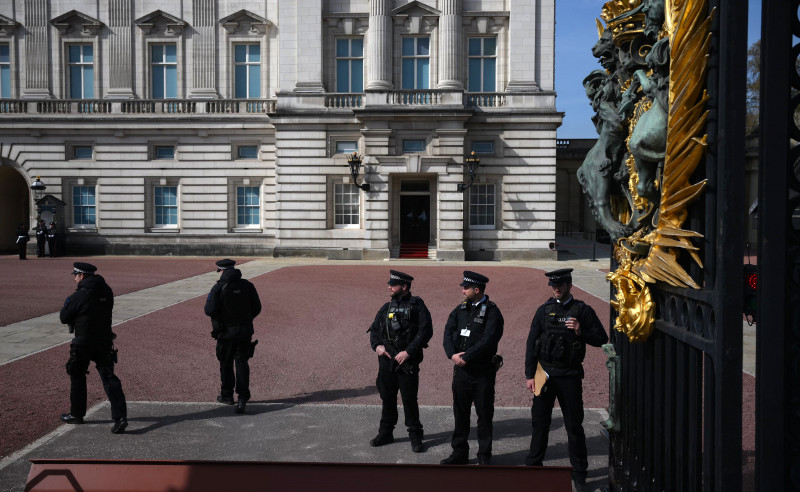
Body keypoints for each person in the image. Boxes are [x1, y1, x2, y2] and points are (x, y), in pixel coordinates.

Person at [524, 268, 609, 492]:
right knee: (539, 423)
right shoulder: (544, 310)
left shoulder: (582, 310)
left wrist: (581, 331)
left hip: (569, 373)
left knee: (574, 425)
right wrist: (529, 375)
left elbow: (602, 338)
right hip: (543, 373)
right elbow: (532, 342)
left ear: (569, 284)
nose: (556, 288)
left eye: (560, 284)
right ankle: (533, 467)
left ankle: (579, 473)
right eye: (553, 285)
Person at [441, 271, 504, 465]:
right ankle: (459, 452)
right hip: (461, 372)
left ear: (477, 290)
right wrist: (452, 354)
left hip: (482, 372)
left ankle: (484, 455)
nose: (462, 291)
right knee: (460, 414)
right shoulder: (459, 310)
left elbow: (489, 341)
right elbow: (448, 332)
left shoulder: (492, 311)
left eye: (466, 288)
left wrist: (466, 357)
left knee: (484, 415)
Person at [367, 270, 433, 453]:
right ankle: (386, 433)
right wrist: (377, 347)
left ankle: (415, 436)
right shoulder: (385, 307)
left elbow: (426, 331)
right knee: (387, 398)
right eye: (389, 284)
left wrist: (409, 352)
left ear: (404, 287)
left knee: (409, 400)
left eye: (393, 284)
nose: (389, 287)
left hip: (407, 362)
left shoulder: (417, 305)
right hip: (387, 363)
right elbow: (374, 330)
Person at [59, 262, 128, 434]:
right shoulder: (107, 290)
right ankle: (120, 417)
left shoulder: (80, 294)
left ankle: (77, 414)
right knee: (109, 378)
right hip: (104, 340)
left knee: (77, 375)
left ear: (82, 276)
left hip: (83, 342)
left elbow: (64, 316)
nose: (75, 278)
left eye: (75, 275)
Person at [204, 259, 262, 414]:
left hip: (225, 333)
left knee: (226, 363)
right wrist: (245, 319)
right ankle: (242, 398)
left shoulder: (218, 287)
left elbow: (209, 310)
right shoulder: (248, 285)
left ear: (221, 270)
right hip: (244, 331)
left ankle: (227, 395)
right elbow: (257, 307)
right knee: (242, 363)